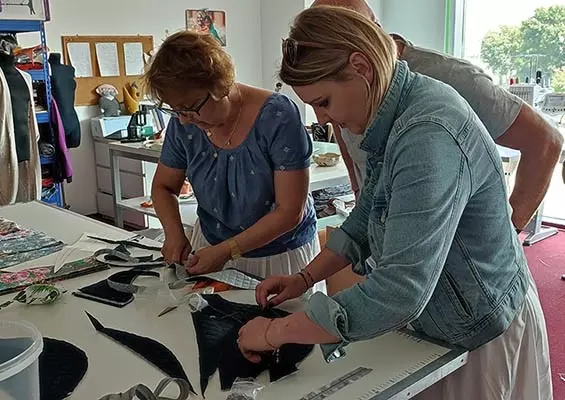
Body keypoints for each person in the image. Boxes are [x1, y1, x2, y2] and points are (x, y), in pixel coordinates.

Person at [237, 7, 552, 399]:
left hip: (477, 331)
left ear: (361, 67)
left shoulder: (426, 134)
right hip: (445, 316)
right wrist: (305, 278)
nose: (323, 118)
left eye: (324, 101)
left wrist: (273, 332)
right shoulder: (398, 108)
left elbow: (400, 290)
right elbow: (367, 213)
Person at [313, 0, 563, 232]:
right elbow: (352, 150)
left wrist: (508, 232)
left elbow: (545, 141)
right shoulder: (342, 89)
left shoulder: (453, 79)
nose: (325, 118)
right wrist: (360, 201)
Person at [144, 31, 319, 278]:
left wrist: (228, 251)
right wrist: (174, 234)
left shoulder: (277, 117)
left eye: (190, 108)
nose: (183, 120)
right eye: (176, 110)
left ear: (220, 86)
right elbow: (163, 186)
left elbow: (290, 212)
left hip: (278, 257)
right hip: (210, 249)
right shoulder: (185, 122)